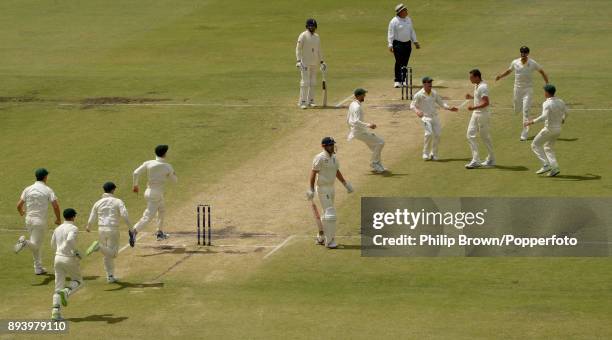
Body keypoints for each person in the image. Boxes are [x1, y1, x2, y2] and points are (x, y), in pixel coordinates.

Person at [307, 137, 353, 248]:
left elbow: (336, 171)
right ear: (324, 146)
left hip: (331, 188)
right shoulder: (320, 158)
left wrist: (345, 184)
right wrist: (311, 189)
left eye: (333, 144)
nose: (332, 146)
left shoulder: (334, 158)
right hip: (322, 189)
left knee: (326, 214)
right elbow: (313, 173)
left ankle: (321, 237)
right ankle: (330, 241)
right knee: (330, 213)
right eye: (330, 145)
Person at [495, 46, 549, 141]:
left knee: (526, 111)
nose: (523, 54)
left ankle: (524, 134)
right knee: (517, 109)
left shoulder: (532, 63)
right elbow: (509, 71)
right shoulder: (515, 62)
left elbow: (542, 72)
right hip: (517, 89)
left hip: (528, 89)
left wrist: (547, 83)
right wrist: (500, 76)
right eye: (521, 52)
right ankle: (517, 108)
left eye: (524, 53)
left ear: (528, 53)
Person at [14, 168, 61, 275]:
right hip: (39, 222)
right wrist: (58, 219)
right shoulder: (48, 190)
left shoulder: (28, 189)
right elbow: (56, 206)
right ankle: (24, 242)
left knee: (35, 244)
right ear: (45, 177)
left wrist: (21, 212)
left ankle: (38, 268)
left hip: (29, 220)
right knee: (35, 245)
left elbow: (18, 205)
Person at [85, 182, 133, 283]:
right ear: (113, 190)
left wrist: (89, 226)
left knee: (107, 255)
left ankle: (110, 276)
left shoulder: (98, 202)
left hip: (101, 229)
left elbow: (92, 215)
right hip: (113, 229)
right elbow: (124, 215)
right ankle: (98, 247)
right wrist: (131, 229)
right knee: (113, 254)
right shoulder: (118, 201)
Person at [132, 144, 177, 243]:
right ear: (165, 154)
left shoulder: (149, 163)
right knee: (148, 216)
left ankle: (160, 232)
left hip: (149, 192)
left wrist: (135, 185)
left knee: (162, 210)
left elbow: (135, 173)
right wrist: (173, 174)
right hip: (156, 194)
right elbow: (174, 181)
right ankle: (134, 230)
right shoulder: (167, 167)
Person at [410, 76, 458, 160]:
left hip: (435, 117)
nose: (430, 84)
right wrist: (417, 111)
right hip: (425, 117)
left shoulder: (434, 93)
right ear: (424, 84)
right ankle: (425, 153)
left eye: (431, 82)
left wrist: (449, 108)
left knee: (438, 135)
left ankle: (434, 154)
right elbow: (412, 105)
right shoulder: (419, 94)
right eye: (428, 83)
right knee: (428, 134)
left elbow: (441, 103)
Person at [524, 84, 567, 177]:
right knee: (548, 148)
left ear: (547, 93)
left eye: (545, 91)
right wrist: (563, 119)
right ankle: (555, 168)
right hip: (558, 130)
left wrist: (531, 122)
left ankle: (545, 164)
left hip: (549, 130)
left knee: (535, 145)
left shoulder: (546, 103)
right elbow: (566, 112)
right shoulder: (561, 101)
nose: (544, 93)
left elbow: (544, 117)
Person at [50, 208, 82, 321]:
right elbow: (69, 240)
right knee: (78, 282)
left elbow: (52, 244)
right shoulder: (73, 228)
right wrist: (76, 252)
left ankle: (55, 313)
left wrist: (59, 251)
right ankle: (66, 292)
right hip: (69, 258)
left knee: (58, 287)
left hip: (57, 258)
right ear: (73, 217)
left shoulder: (57, 228)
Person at [347, 88, 387, 173]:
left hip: (359, 131)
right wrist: (369, 125)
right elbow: (355, 121)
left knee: (375, 147)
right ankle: (374, 163)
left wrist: (351, 129)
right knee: (380, 143)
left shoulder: (353, 104)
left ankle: (378, 164)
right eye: (363, 94)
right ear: (358, 96)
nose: (365, 96)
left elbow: (349, 119)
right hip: (360, 132)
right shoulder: (357, 107)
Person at [465, 69, 495, 169]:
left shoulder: (483, 87)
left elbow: (486, 102)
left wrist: (473, 107)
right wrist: (472, 97)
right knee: (470, 135)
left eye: (471, 77)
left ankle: (491, 159)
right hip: (476, 114)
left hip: (482, 115)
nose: (470, 79)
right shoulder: (477, 85)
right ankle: (476, 160)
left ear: (477, 77)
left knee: (484, 136)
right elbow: (480, 98)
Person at [296, 18, 327, 109]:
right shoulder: (303, 35)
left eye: (313, 26)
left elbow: (319, 50)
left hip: (314, 62)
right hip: (304, 63)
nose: (312, 27)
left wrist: (322, 61)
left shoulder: (317, 37)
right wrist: (298, 61)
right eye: (310, 26)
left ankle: (311, 100)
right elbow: (298, 49)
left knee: (313, 82)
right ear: (307, 26)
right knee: (305, 82)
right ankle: (302, 102)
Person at [387, 4, 420, 88]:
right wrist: (390, 44)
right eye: (405, 11)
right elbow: (390, 33)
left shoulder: (408, 19)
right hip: (398, 44)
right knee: (399, 62)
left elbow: (412, 31)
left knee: (405, 62)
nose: (406, 12)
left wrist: (415, 41)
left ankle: (403, 80)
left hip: (407, 44)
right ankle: (397, 81)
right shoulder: (394, 21)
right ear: (400, 12)